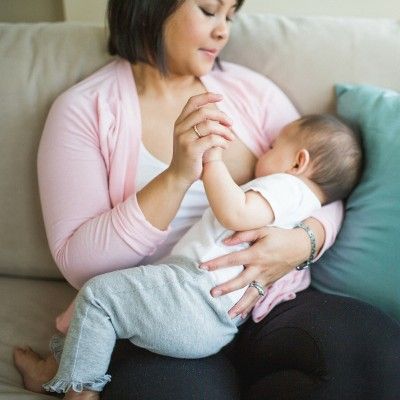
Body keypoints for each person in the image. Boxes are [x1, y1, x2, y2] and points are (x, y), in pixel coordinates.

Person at [13, 1, 400, 399]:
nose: (223, 32)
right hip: (170, 311)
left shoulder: (251, 92)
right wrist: (178, 175)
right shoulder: (85, 109)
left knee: (377, 353)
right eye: (208, 9)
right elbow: (81, 263)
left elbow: (321, 186)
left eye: (230, 16)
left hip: (271, 300)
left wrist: (304, 241)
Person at [15, 114, 360, 399]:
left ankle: (78, 390)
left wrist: (211, 161)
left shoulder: (285, 187)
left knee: (98, 297)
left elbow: (236, 214)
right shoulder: (306, 205)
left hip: (192, 295)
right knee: (115, 310)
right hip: (212, 320)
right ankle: (58, 367)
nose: (261, 153)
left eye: (272, 146)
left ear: (299, 161)